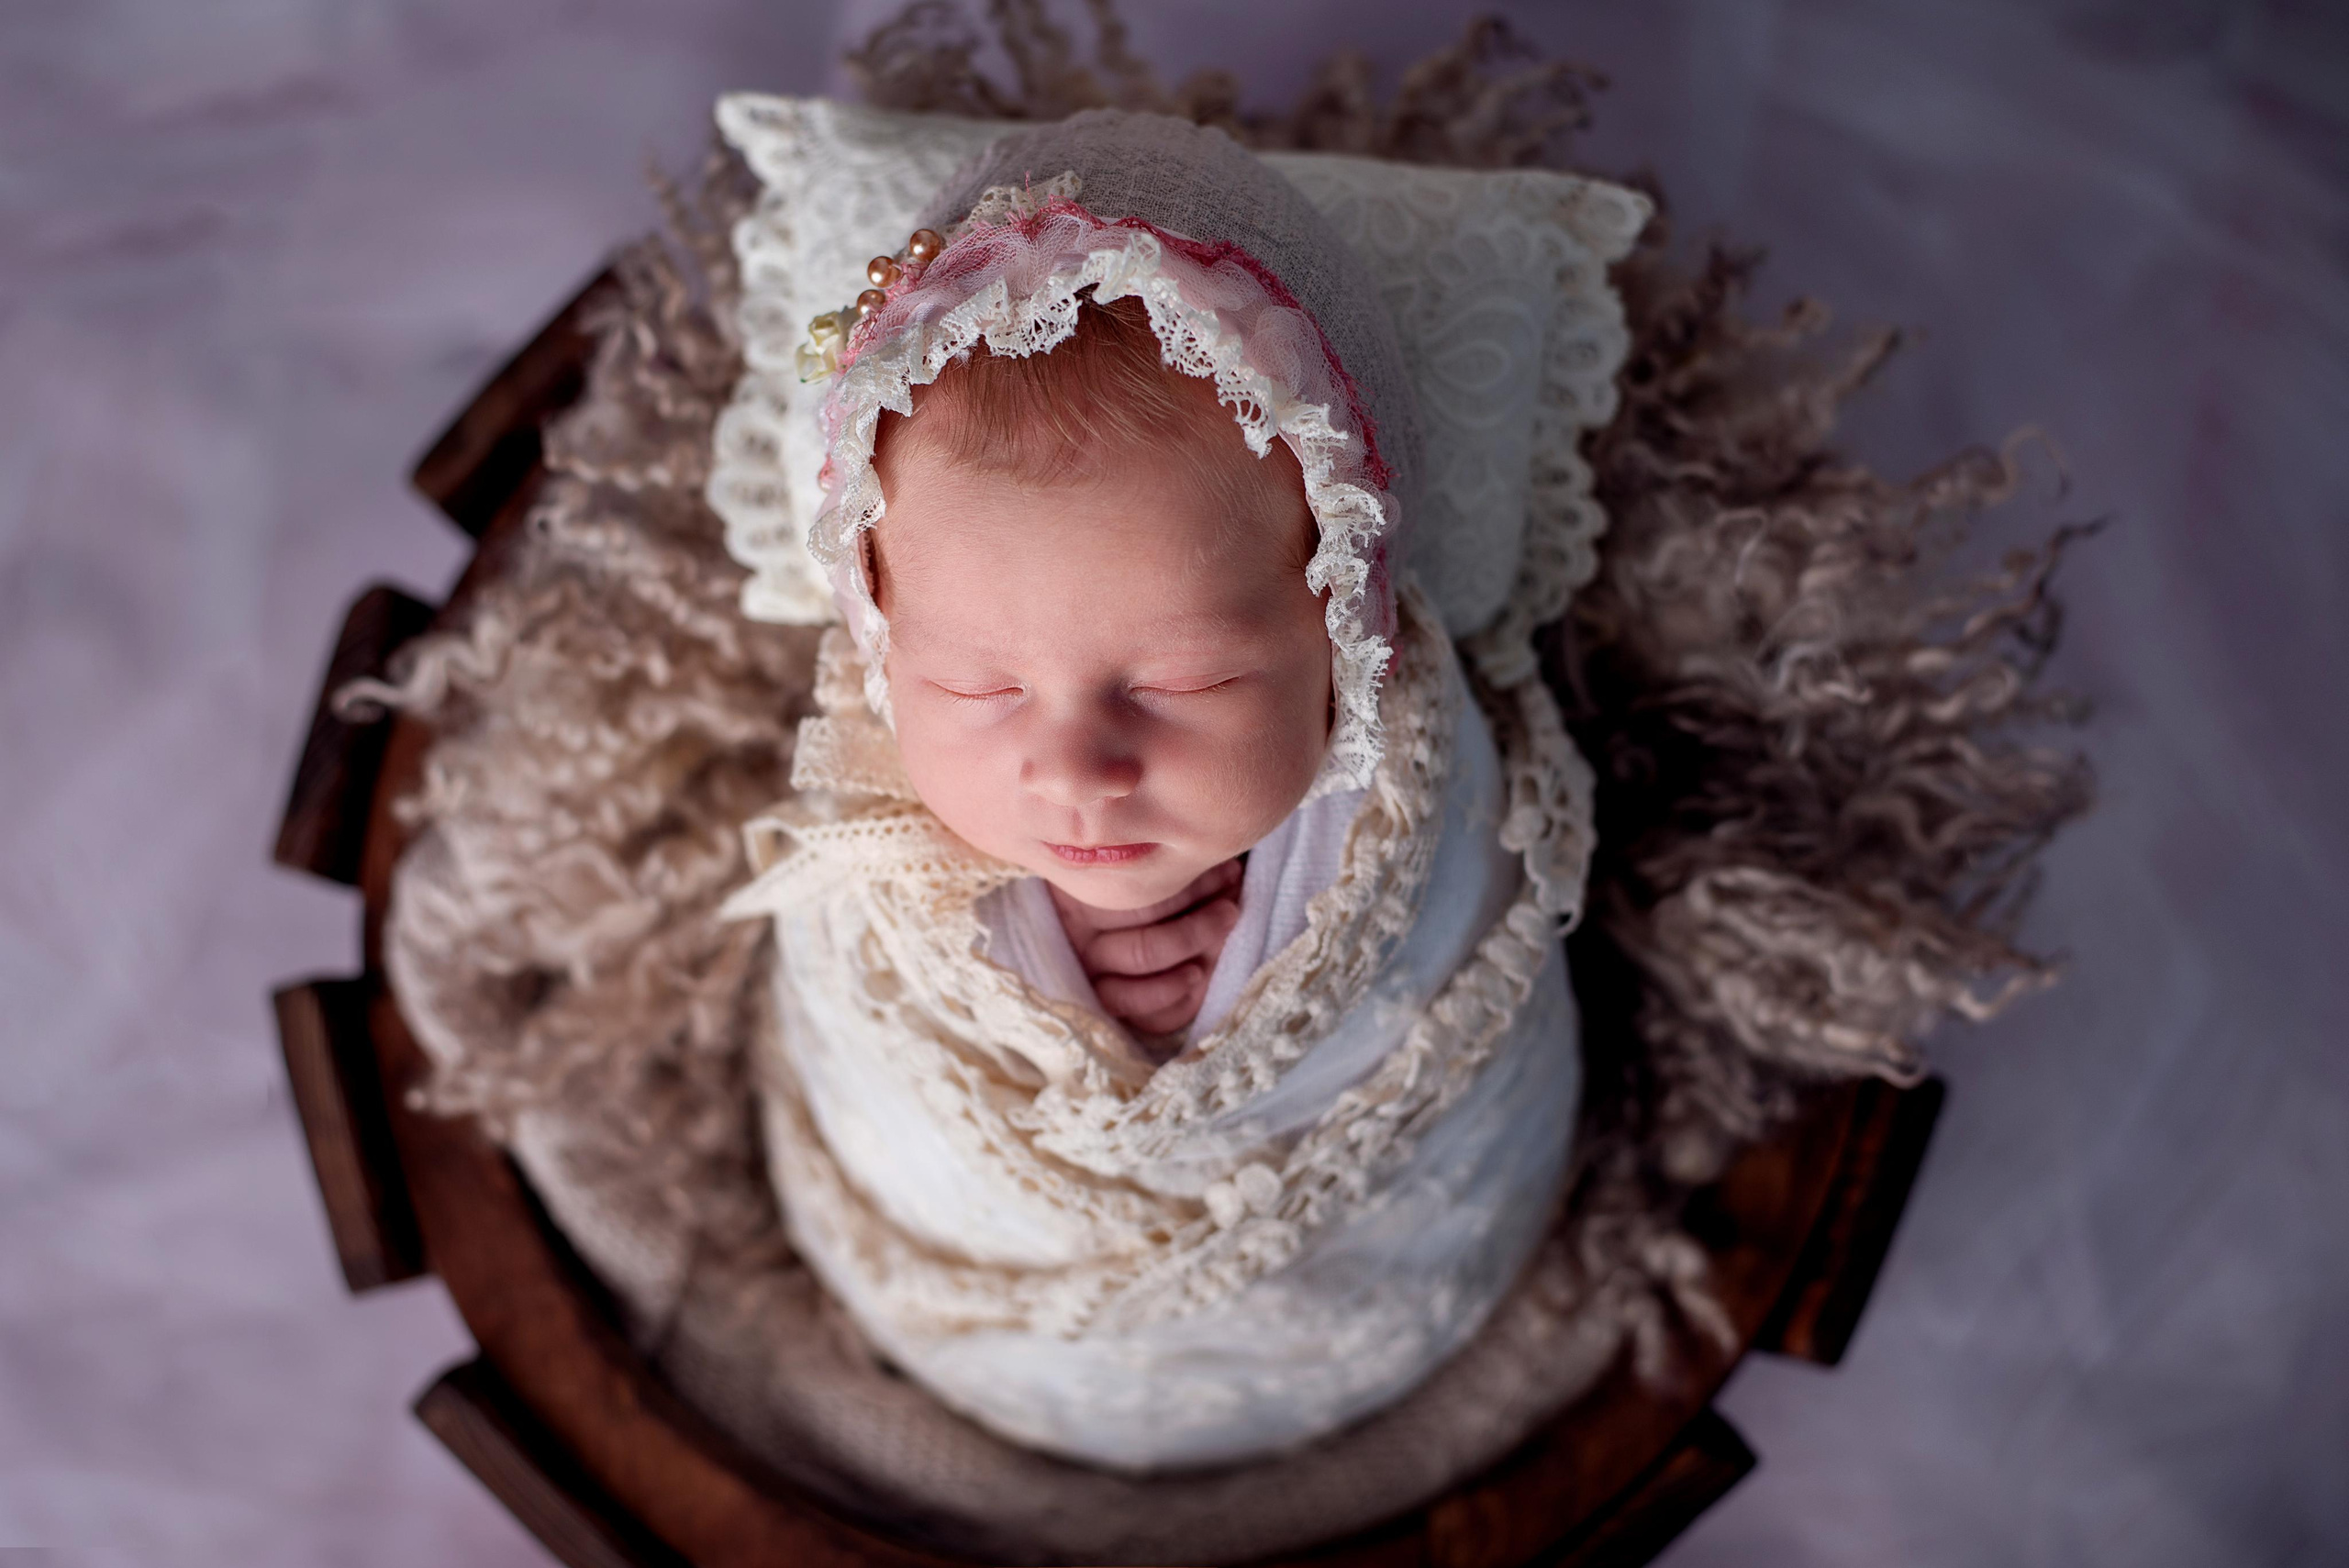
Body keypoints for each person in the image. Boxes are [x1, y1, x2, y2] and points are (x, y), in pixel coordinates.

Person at [718, 111, 1589, 1472]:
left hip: (1365, 1297)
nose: (1075, 770)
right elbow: (873, 1042)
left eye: (1183, 683)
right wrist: (1053, 993)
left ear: (1343, 624)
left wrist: (1232, 1012)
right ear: (882, 641)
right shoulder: (869, 807)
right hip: (977, 1305)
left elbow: (1452, 972)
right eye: (977, 690)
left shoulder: (1402, 784)